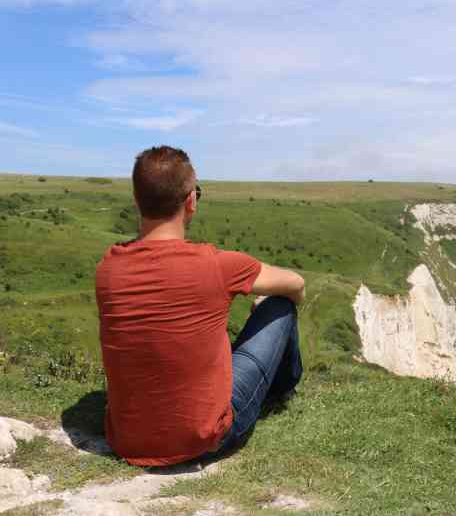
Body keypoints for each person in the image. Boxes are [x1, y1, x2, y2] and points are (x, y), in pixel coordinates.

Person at [95, 145, 304, 467]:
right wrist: (271, 301)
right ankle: (280, 393)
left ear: (137, 200)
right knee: (280, 305)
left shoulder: (108, 268)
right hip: (206, 438)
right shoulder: (219, 265)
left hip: (125, 439)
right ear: (191, 200)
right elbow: (295, 283)